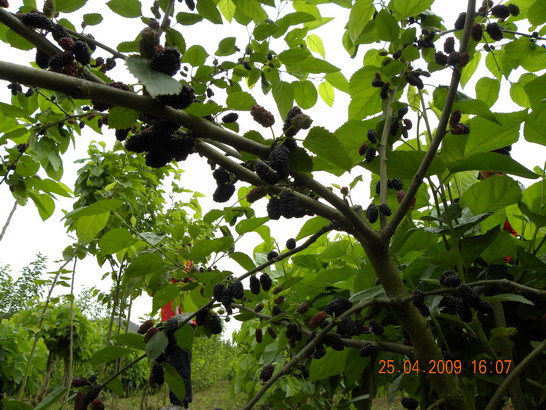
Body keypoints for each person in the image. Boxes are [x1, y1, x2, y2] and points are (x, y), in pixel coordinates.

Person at [161, 260, 195, 409]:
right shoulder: (163, 263)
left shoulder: (184, 260)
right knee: (172, 364)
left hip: (183, 321)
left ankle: (181, 402)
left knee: (180, 363)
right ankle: (176, 402)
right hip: (168, 322)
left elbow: (182, 276)